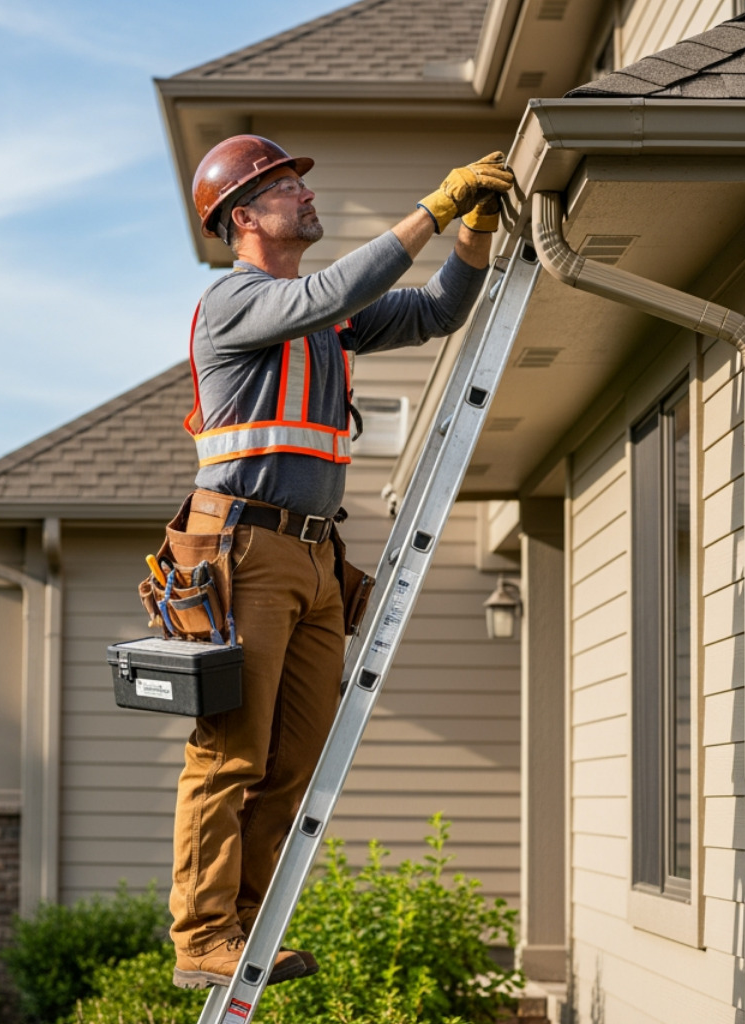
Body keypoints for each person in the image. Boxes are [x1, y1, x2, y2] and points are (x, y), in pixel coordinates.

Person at [168, 134, 514, 990]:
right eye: (285, 189)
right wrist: (432, 207)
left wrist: (471, 231)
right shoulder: (234, 302)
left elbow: (436, 310)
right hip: (241, 548)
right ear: (243, 217)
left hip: (317, 557)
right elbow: (332, 290)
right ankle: (200, 935)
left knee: (294, 758)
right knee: (229, 754)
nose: (306, 198)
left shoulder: (325, 318)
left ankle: (243, 924)